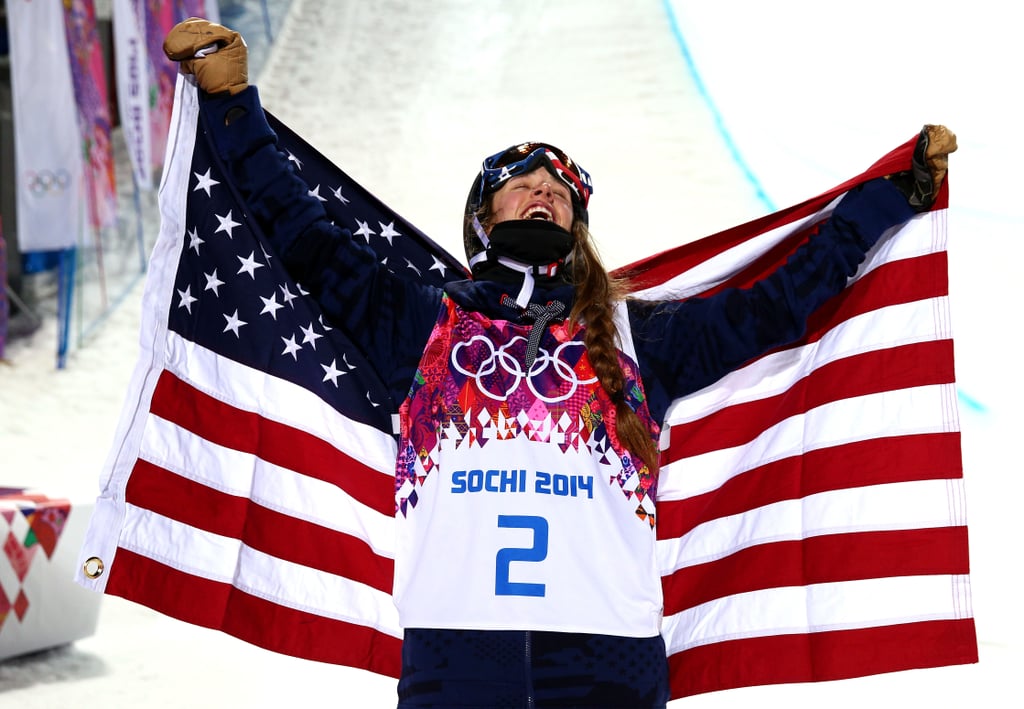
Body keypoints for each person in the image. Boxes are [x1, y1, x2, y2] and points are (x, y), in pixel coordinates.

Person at [163, 18, 956, 709]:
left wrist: (891, 197)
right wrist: (232, 106)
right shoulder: (422, 322)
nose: (543, 191)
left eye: (560, 191)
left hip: (608, 664)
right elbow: (301, 234)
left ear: (578, 226)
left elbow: (782, 302)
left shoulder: (637, 334)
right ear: (482, 219)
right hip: (455, 664)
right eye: (522, 185)